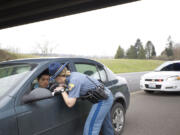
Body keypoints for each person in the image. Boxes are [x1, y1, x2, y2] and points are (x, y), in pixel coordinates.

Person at [49, 62, 114, 135]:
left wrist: (62, 90)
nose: (55, 81)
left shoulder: (74, 81)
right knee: (106, 125)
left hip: (103, 100)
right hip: (106, 95)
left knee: (90, 128)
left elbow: (70, 103)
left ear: (58, 77)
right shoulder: (73, 75)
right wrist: (63, 86)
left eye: (54, 79)